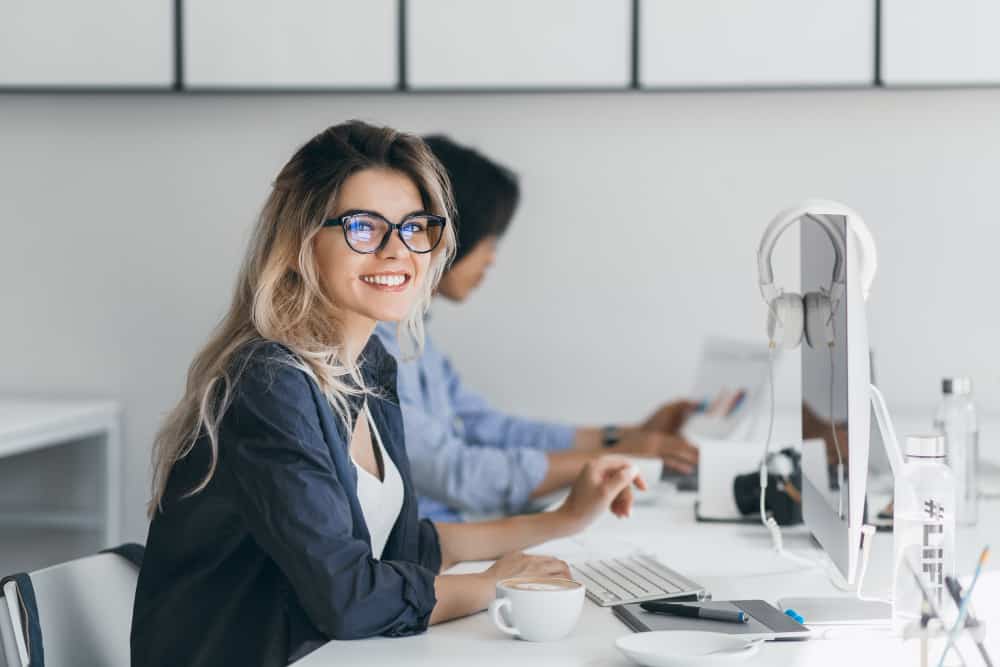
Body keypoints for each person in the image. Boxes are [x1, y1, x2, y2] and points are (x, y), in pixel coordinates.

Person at [131, 121, 645, 667]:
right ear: (301, 240)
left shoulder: (367, 365)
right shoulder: (271, 382)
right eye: (362, 227)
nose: (397, 250)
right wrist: (494, 584)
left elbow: (401, 549)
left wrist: (563, 520)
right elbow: (348, 599)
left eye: (414, 227)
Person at [375, 136, 699, 522]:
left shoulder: (415, 338)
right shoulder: (370, 347)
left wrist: (621, 439)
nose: (492, 258)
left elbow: (488, 427)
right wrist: (615, 457)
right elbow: (456, 472)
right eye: (488, 238)